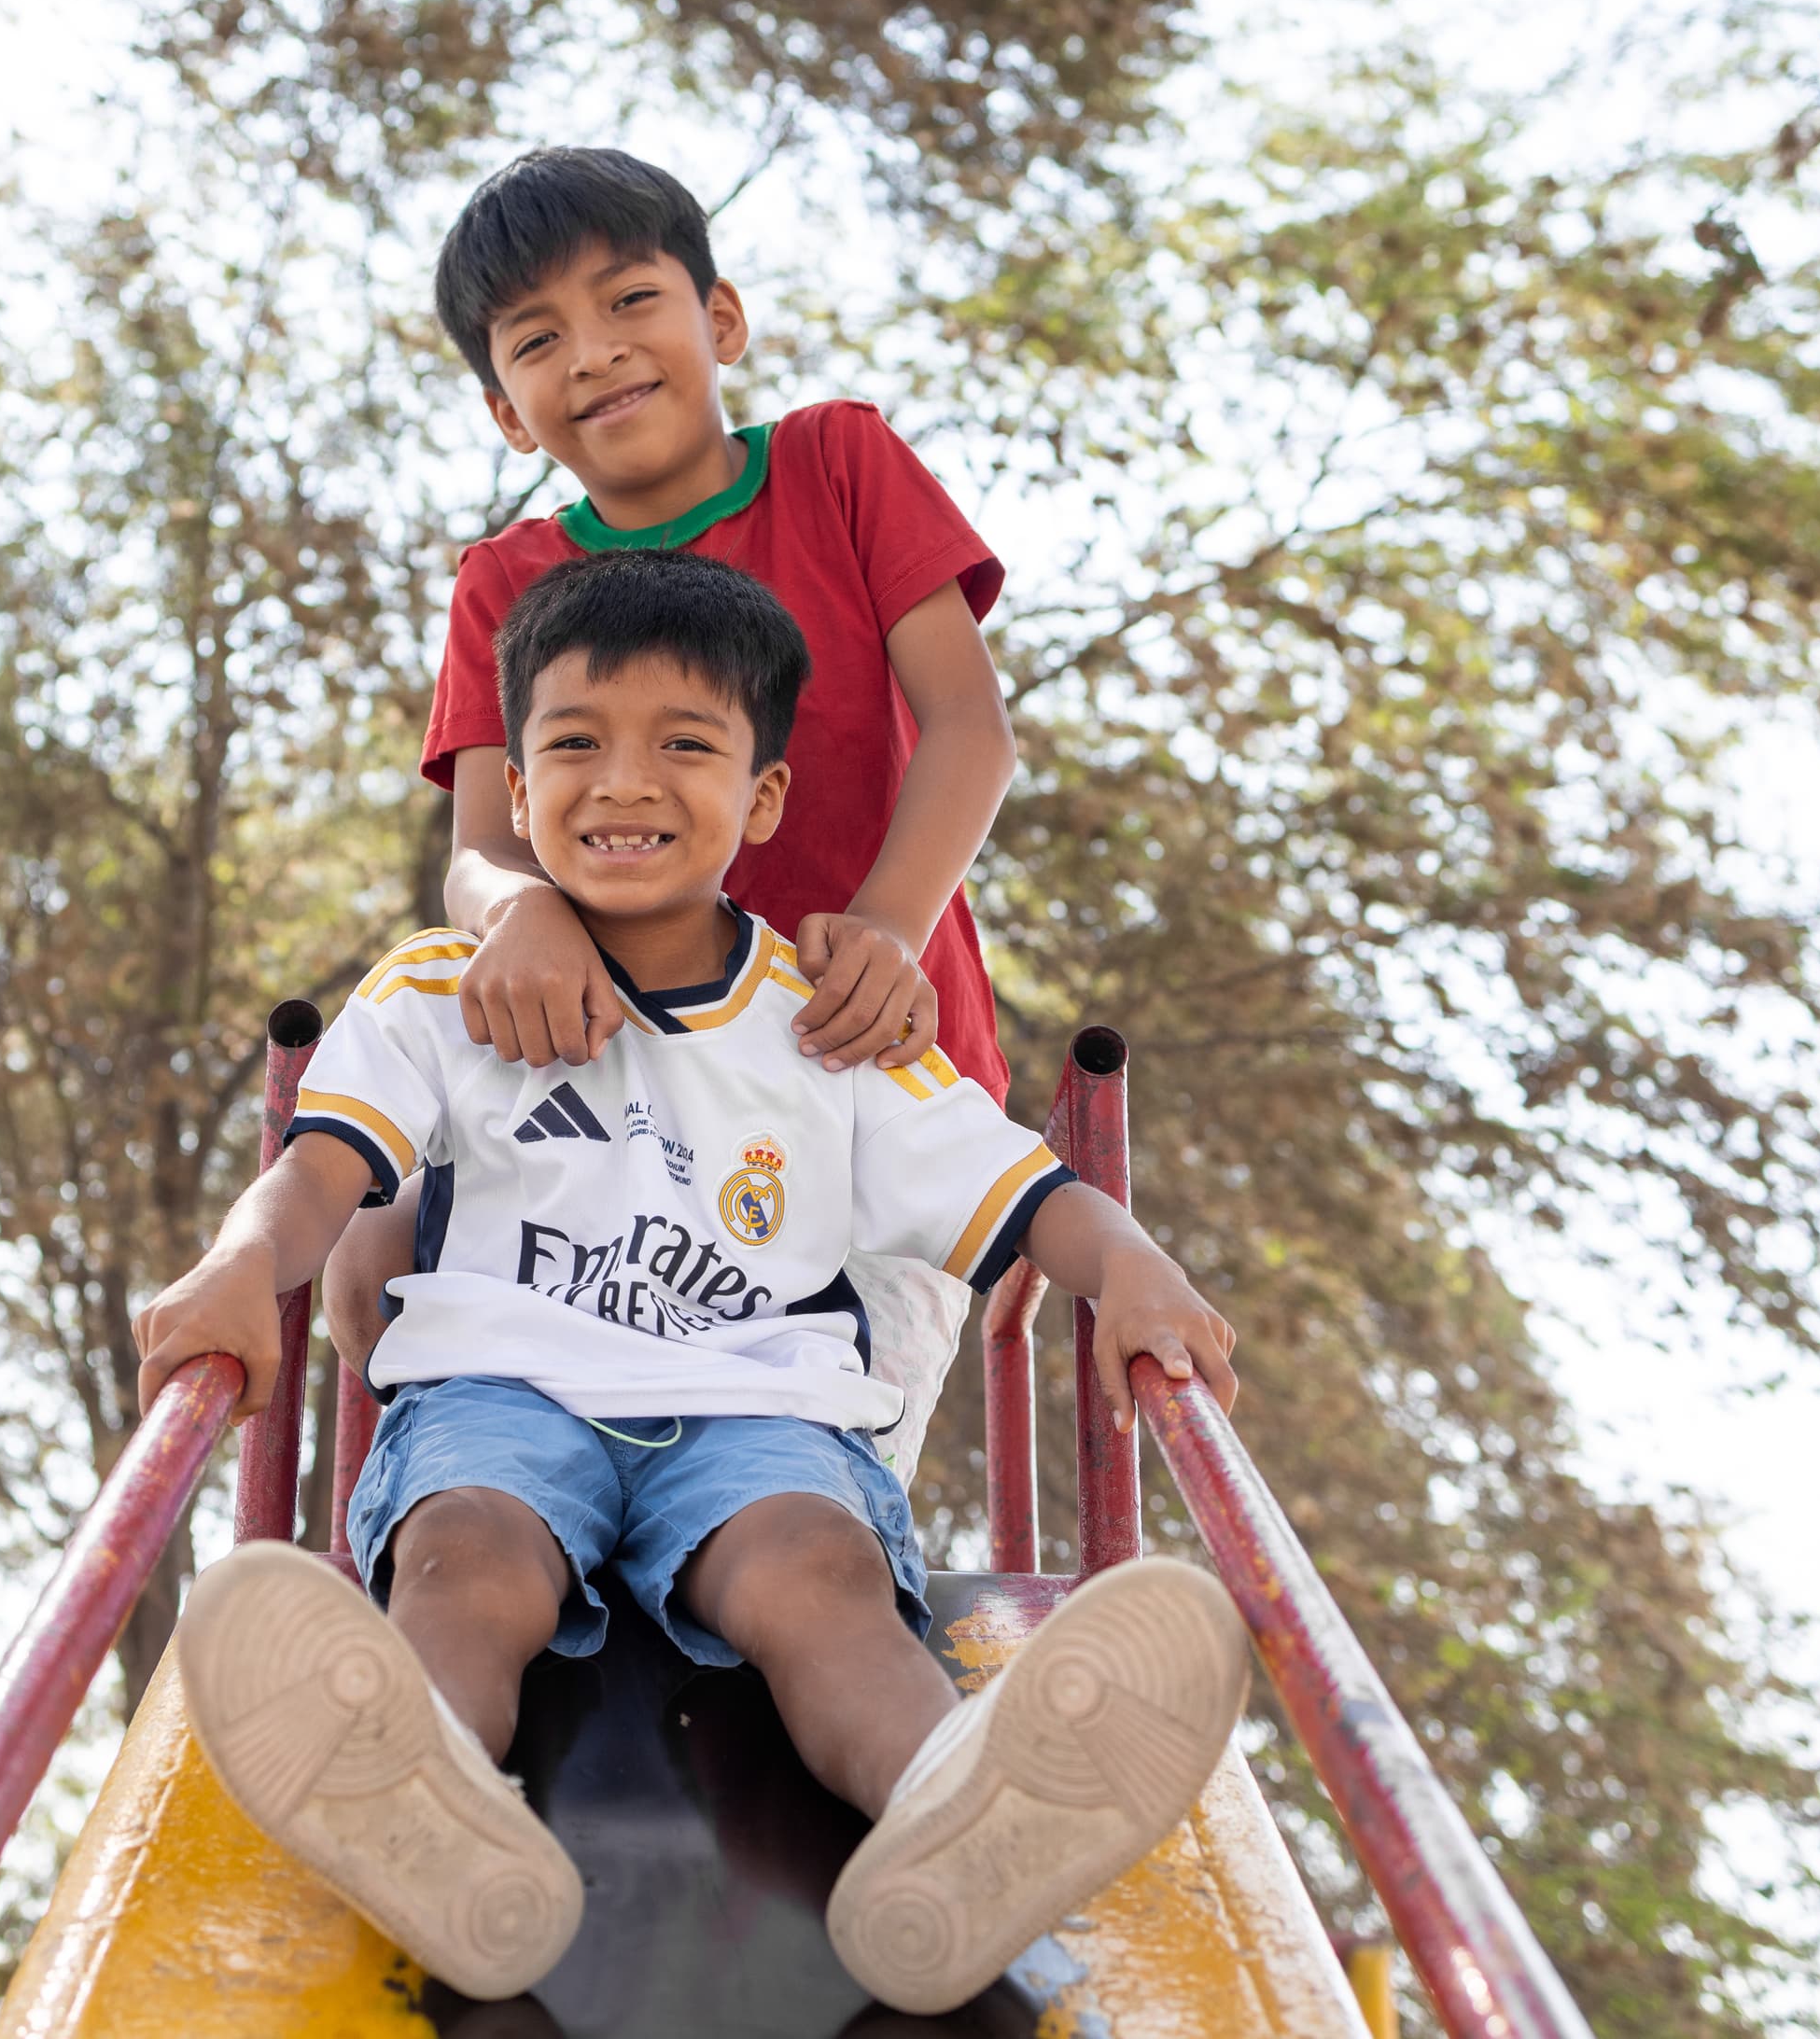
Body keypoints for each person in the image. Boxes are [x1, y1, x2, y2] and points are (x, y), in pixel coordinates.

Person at [133, 551, 1253, 2015]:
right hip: (502, 1383)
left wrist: (1144, 1272)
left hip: (752, 1407)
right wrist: (233, 1269)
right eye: (576, 743)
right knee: (465, 1558)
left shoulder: (824, 1032)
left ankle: (963, 1817)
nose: (624, 782)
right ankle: (422, 1810)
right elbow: (320, 1177)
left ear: (763, 799)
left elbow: (1029, 1200)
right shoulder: (437, 990)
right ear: (517, 798)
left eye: (685, 744)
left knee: (824, 1576)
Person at [320, 145, 1023, 1376]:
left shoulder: (838, 466)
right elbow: (482, 850)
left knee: (806, 1474)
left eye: (629, 300)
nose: (591, 351)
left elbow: (971, 729)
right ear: (502, 406)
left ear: (722, 317)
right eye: (535, 341)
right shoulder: (506, 582)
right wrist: (521, 910)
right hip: (605, 1110)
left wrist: (888, 929)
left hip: (854, 1069)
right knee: (542, 1458)